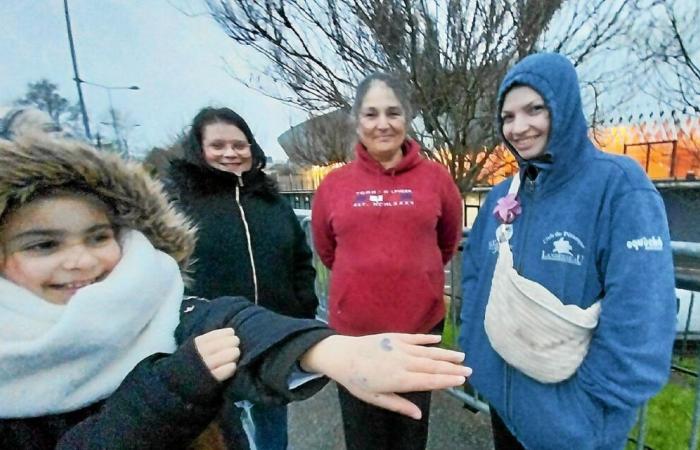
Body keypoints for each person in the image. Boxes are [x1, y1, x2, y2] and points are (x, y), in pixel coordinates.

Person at [0, 134, 472, 450]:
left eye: (98, 237)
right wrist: (178, 384)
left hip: (277, 334)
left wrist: (319, 345)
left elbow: (230, 317)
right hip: (208, 381)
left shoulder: (158, 307)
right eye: (43, 244)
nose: (79, 260)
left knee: (270, 426)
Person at [458, 52, 676, 450]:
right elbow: (475, 278)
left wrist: (588, 408)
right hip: (506, 411)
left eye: (534, 109)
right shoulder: (500, 197)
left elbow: (643, 313)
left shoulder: (619, 187)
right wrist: (476, 358)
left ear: (564, 106)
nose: (519, 127)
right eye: (508, 116)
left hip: (573, 428)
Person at [311, 73, 464, 450]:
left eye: (393, 113)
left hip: (417, 333)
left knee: (409, 433)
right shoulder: (334, 186)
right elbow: (327, 249)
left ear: (407, 117)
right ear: (357, 121)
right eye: (371, 114)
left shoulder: (436, 180)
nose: (383, 124)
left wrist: (414, 274)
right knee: (364, 438)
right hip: (355, 339)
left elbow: (446, 242)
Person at [165, 107, 318, 449]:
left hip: (272, 343)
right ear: (199, 149)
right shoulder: (179, 205)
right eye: (218, 145)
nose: (230, 153)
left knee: (272, 430)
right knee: (223, 436)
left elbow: (300, 260)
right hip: (210, 348)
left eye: (239, 144)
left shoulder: (272, 202)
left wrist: (302, 313)